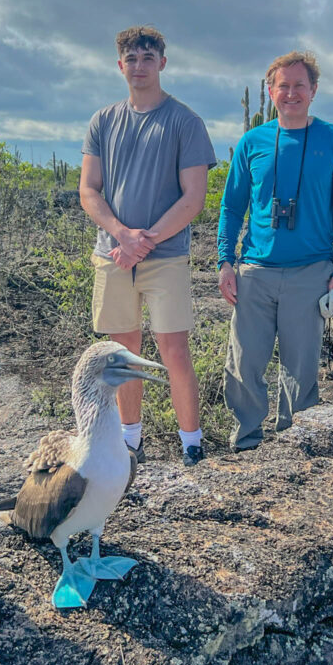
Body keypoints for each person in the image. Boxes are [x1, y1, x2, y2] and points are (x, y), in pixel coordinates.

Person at [79, 25, 217, 466]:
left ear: (162, 62)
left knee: (174, 349)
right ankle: (129, 442)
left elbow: (193, 198)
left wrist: (145, 240)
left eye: (147, 57)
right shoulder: (103, 121)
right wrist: (122, 235)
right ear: (120, 66)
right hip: (113, 254)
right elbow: (89, 191)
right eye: (131, 59)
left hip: (166, 257)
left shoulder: (185, 122)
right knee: (123, 354)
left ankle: (192, 444)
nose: (139, 66)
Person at [217, 50, 333, 449]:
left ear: (313, 91)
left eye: (300, 86)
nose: (291, 93)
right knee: (245, 364)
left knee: (301, 367)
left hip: (311, 272)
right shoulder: (252, 142)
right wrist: (225, 261)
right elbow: (231, 206)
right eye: (284, 86)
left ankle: (295, 444)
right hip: (255, 272)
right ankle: (246, 440)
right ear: (270, 90)